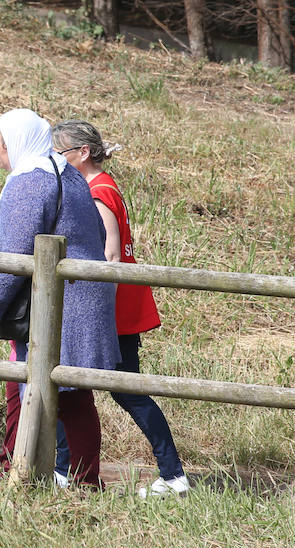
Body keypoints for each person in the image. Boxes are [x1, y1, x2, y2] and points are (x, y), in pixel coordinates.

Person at [0, 108, 120, 487]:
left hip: (61, 305)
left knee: (54, 394)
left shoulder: (32, 181)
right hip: (77, 300)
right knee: (55, 390)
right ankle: (56, 475)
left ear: (17, 142)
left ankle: (37, 475)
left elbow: (14, 256)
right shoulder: (64, 172)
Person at [51, 119, 190, 497]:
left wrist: (89, 306)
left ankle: (173, 475)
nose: (56, 160)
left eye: (59, 153)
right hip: (114, 305)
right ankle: (64, 469)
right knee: (79, 386)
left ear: (82, 153)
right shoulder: (100, 185)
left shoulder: (97, 191)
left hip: (113, 308)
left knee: (122, 389)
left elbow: (109, 256)